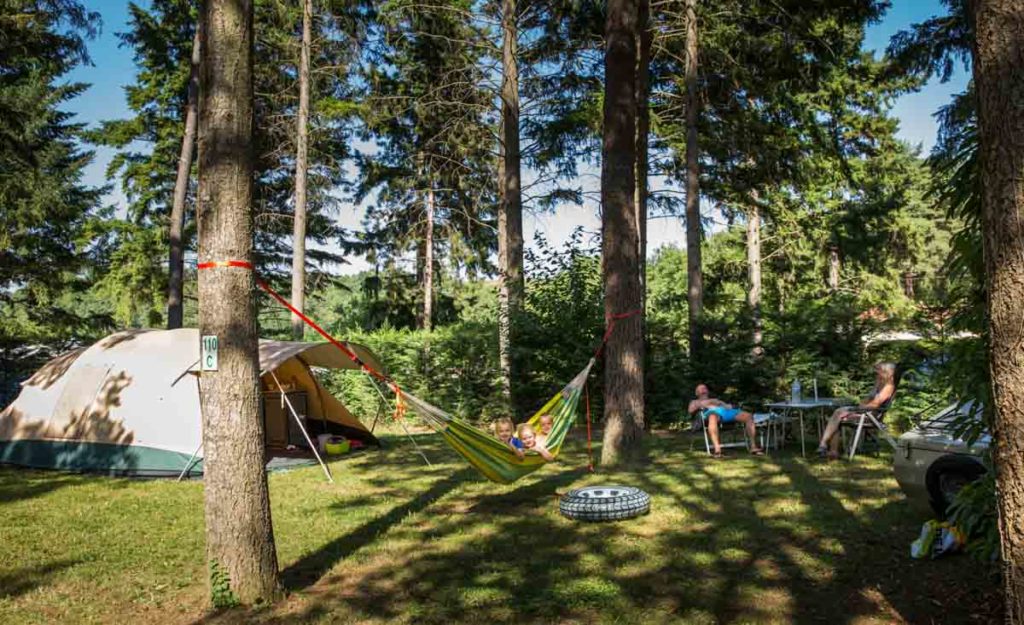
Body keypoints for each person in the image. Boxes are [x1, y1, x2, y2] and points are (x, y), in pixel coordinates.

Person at [817, 362, 897, 459]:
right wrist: (860, 405)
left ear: (887, 373)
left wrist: (857, 409)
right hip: (864, 411)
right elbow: (868, 398)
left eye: (879, 370)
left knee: (837, 415)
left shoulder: (889, 387)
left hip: (870, 416)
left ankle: (825, 446)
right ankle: (829, 449)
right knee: (837, 415)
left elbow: (875, 405)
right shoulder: (879, 382)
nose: (877, 372)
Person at [687, 384, 764, 458]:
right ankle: (717, 449)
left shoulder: (715, 399)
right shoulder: (694, 402)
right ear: (696, 393)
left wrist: (724, 404)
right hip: (712, 413)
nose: (704, 389)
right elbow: (690, 410)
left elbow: (727, 406)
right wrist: (705, 403)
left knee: (748, 416)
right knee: (713, 416)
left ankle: (753, 446)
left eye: (705, 388)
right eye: (701, 389)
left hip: (726, 412)